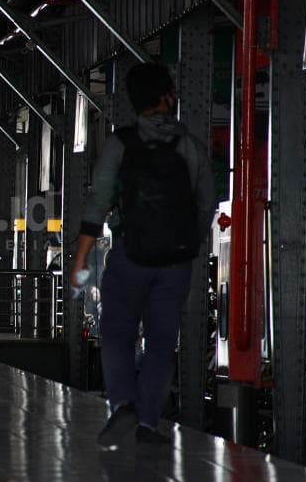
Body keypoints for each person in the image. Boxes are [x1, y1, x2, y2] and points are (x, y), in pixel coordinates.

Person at [68, 62, 215, 446]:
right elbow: (207, 203)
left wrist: (80, 259)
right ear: (166, 98)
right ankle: (149, 422)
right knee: (163, 341)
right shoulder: (189, 146)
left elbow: (97, 203)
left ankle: (123, 403)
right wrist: (189, 244)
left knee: (117, 332)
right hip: (176, 262)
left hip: (131, 256)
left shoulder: (122, 144)